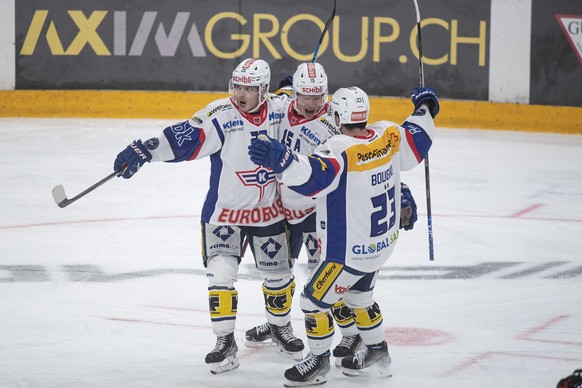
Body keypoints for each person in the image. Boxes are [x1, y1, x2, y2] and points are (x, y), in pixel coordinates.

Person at [112, 58, 305, 374]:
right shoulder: (221, 114)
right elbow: (183, 138)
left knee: (279, 276)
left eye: (249, 89)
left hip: (269, 212)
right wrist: (145, 149)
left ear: (264, 90)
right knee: (220, 275)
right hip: (224, 213)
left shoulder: (281, 111)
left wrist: (296, 96)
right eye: (238, 86)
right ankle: (224, 341)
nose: (241, 94)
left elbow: (309, 117)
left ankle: (279, 328)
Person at [248, 85, 438, 386]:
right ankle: (379, 351)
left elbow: (311, 178)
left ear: (336, 115)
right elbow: (418, 139)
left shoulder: (338, 150)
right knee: (360, 298)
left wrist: (283, 161)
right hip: (381, 246)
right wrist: (425, 108)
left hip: (347, 254)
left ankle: (319, 362)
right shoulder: (388, 135)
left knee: (312, 302)